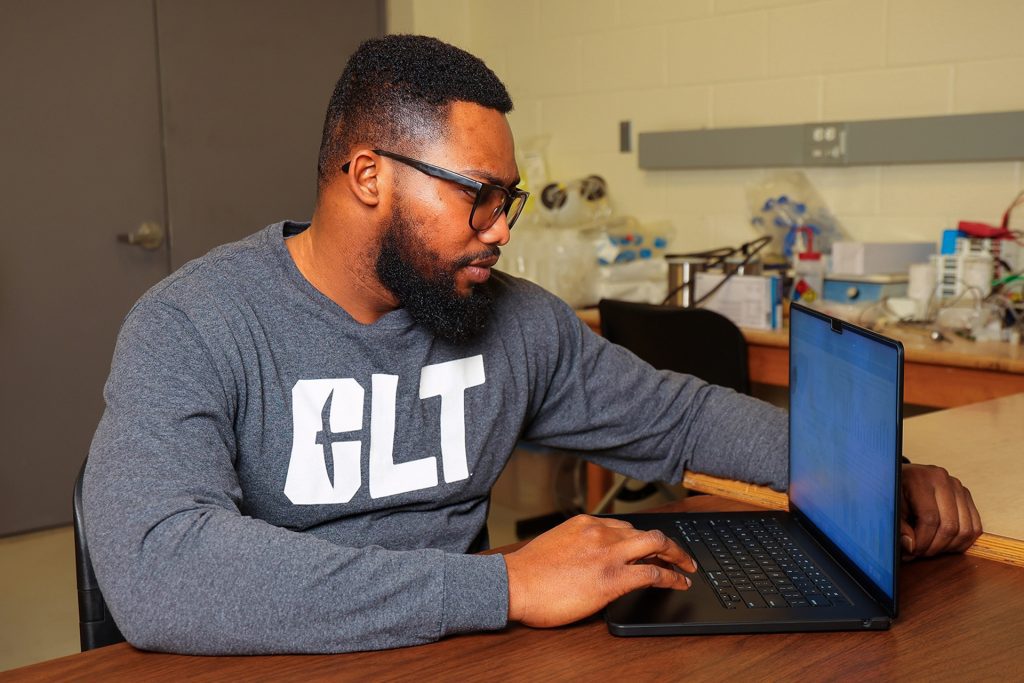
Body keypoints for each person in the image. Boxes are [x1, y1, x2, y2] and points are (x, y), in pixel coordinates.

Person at [84, 34, 982, 655]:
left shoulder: (515, 322)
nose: (500, 230)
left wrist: (871, 474)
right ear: (367, 175)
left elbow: (678, 419)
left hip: (460, 656)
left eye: (507, 200)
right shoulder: (193, 323)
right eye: (477, 195)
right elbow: (162, 570)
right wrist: (505, 587)